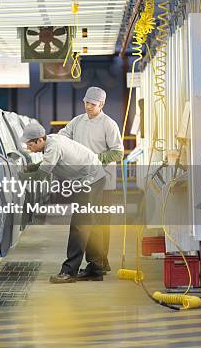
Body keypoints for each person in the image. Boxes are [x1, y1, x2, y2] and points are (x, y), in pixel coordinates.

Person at [21, 122, 106, 284]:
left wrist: (16, 177)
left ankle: (69, 271)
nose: (27, 146)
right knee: (90, 224)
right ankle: (95, 269)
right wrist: (30, 168)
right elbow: (47, 163)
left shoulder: (54, 147)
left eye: (29, 143)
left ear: (39, 140)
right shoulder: (51, 141)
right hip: (95, 177)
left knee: (79, 225)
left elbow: (41, 176)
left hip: (90, 180)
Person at [58, 87, 124, 277]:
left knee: (100, 224)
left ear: (101, 105)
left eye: (93, 104)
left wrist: (94, 158)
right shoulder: (78, 122)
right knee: (89, 222)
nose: (88, 107)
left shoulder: (108, 124)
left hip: (104, 182)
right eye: (86, 103)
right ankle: (97, 265)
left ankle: (99, 263)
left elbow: (118, 152)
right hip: (84, 181)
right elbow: (63, 137)